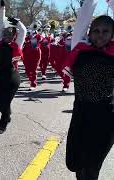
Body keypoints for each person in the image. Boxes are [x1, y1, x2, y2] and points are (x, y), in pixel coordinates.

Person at [64, 0, 114, 179]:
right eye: (96, 30)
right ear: (89, 33)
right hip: (81, 114)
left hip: (106, 118)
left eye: (105, 31)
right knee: (76, 165)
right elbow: (83, 19)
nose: (100, 35)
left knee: (92, 169)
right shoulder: (80, 48)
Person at [0, 0, 26, 134]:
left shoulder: (16, 45)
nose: (6, 36)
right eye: (5, 34)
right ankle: (7, 113)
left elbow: (23, 31)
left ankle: (3, 124)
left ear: (14, 37)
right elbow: (1, 24)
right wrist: (2, 9)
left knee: (5, 102)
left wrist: (17, 23)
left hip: (12, 78)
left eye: (10, 35)